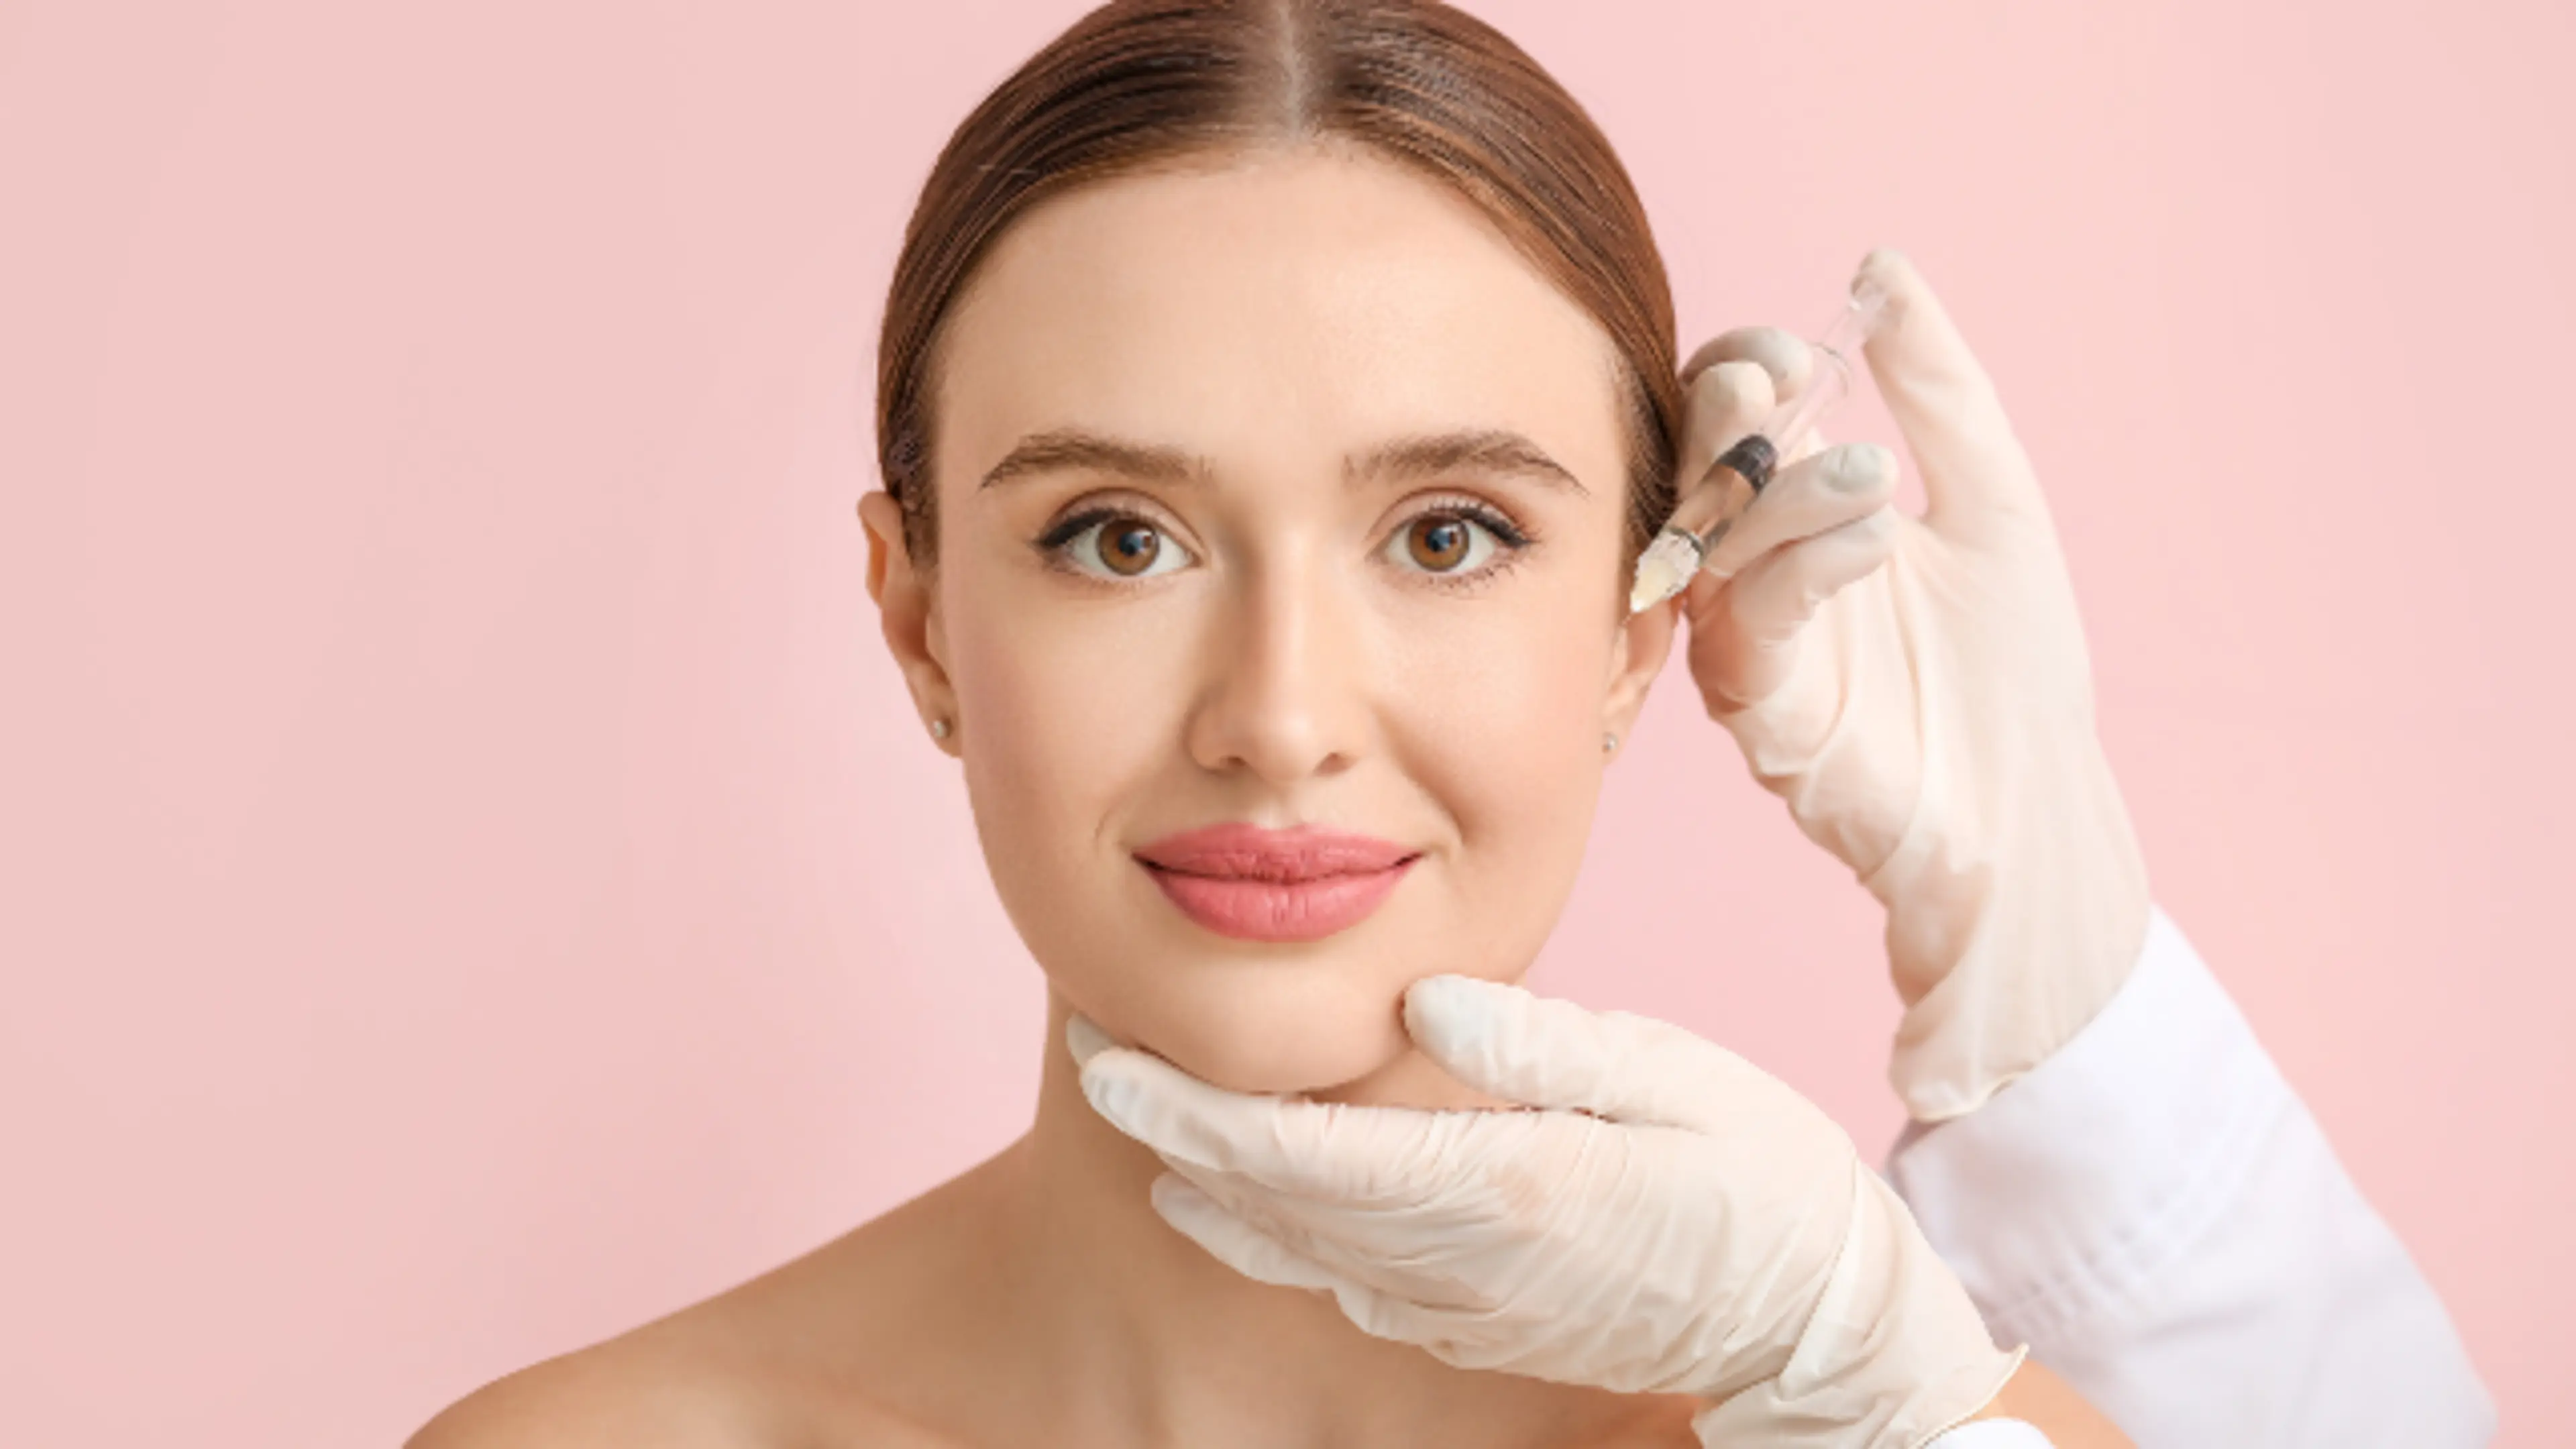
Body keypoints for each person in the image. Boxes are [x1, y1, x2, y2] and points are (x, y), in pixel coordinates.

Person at [409, 2, 2493, 1444]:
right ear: (921, 622)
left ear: (1637, 623)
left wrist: (1902, 1382)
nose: (1283, 718)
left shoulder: (1868, 1413)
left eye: (1453, 530)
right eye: (1120, 538)